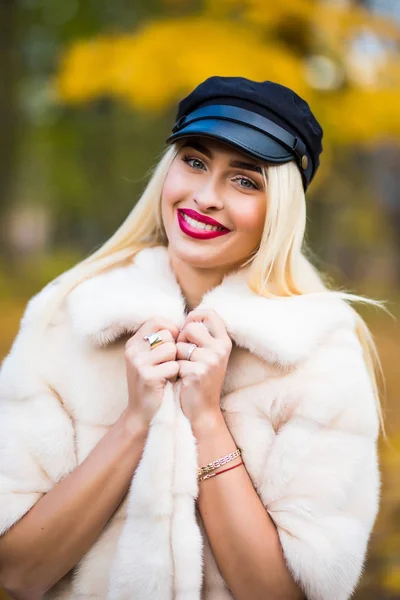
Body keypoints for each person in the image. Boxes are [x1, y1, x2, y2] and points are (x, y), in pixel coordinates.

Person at [0, 76, 381, 600]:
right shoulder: (66, 318)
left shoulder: (319, 356)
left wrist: (207, 421)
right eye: (195, 161)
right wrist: (135, 420)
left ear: (281, 210)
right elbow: (17, 573)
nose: (205, 197)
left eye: (245, 181)